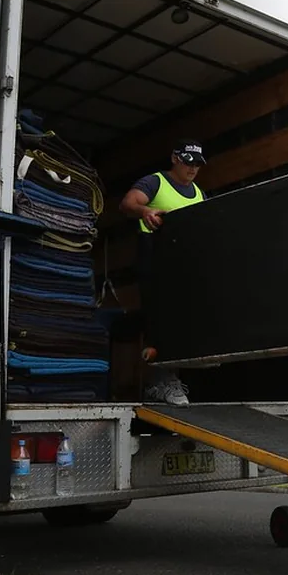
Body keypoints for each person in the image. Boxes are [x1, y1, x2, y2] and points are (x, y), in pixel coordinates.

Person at [119, 139, 208, 407]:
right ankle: (159, 383)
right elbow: (127, 203)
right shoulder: (155, 182)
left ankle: (170, 380)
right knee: (161, 320)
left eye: (198, 165)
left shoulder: (199, 193)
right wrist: (145, 211)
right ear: (175, 158)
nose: (193, 169)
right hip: (156, 260)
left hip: (186, 265)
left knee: (184, 322)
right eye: (188, 162)